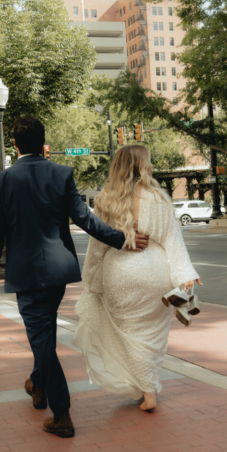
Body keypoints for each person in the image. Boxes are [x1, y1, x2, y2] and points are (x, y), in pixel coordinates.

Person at [0, 117, 149, 438]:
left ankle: (62, 414)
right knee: (41, 335)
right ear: (44, 143)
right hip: (58, 272)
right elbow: (85, 219)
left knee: (41, 339)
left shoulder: (1, 180)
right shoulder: (61, 174)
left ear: (15, 145)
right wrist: (121, 238)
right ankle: (38, 385)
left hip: (26, 275)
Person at [73, 145, 202, 411]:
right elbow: (172, 240)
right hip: (155, 273)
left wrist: (91, 280)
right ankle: (147, 388)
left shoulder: (107, 199)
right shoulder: (159, 198)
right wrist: (185, 274)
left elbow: (98, 247)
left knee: (127, 334)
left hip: (119, 272)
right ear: (143, 166)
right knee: (152, 336)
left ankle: (144, 390)